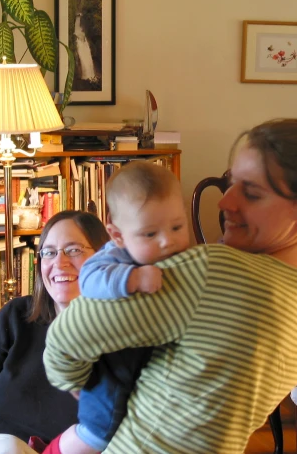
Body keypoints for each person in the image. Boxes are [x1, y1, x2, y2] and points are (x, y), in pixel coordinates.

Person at [43, 118, 297, 453]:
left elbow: (65, 341)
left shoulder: (213, 271)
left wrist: (81, 390)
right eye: (232, 183)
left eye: (252, 193)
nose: (224, 202)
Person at [50, 161, 191, 454]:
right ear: (117, 235)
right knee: (104, 419)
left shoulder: (180, 257)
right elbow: (90, 279)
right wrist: (133, 277)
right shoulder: (113, 255)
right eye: (150, 234)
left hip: (152, 366)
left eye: (177, 226)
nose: (168, 241)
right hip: (111, 372)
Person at [0, 211, 110, 454]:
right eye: (49, 252)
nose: (59, 263)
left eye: (74, 250)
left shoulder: (125, 341)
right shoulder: (16, 316)